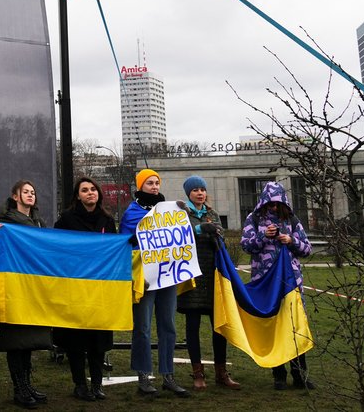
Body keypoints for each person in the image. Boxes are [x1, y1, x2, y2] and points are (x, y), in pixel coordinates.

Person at [119, 168, 190, 398]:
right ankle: (143, 376)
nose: (155, 187)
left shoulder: (167, 210)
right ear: (140, 186)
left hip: (167, 275)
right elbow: (127, 242)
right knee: (143, 328)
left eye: (157, 182)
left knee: (168, 326)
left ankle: (168, 376)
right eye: (149, 183)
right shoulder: (132, 212)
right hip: (145, 278)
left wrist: (183, 215)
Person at [240, 181, 315, 391]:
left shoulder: (291, 219)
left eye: (277, 203)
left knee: (295, 326)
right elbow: (246, 245)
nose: (273, 207)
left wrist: (291, 240)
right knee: (273, 324)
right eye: (270, 203)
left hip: (291, 282)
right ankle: (279, 375)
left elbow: (307, 249)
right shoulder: (253, 219)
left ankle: (300, 375)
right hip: (265, 282)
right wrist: (264, 237)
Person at [54, 177, 117, 402]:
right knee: (76, 340)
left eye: (93, 189)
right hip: (75, 288)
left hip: (99, 289)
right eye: (84, 190)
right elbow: (55, 247)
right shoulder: (66, 220)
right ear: (77, 196)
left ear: (98, 193)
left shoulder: (107, 221)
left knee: (98, 340)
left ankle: (97, 384)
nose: (90, 193)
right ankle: (80, 384)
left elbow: (114, 251)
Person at [175, 175, 240, 390]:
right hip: (192, 277)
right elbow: (180, 234)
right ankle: (198, 373)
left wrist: (213, 231)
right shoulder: (182, 212)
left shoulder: (212, 213)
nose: (200, 193)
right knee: (192, 328)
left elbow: (220, 233)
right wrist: (200, 229)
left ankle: (222, 373)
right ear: (188, 193)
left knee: (219, 327)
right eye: (195, 190)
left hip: (213, 277)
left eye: (202, 189)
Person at [0, 179, 51, 409]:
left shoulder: (39, 222)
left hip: (35, 288)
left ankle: (27, 384)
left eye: (33, 192)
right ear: (15, 196)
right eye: (25, 192)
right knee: (16, 338)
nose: (30, 195)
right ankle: (19, 388)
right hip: (16, 287)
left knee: (29, 340)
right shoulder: (5, 223)